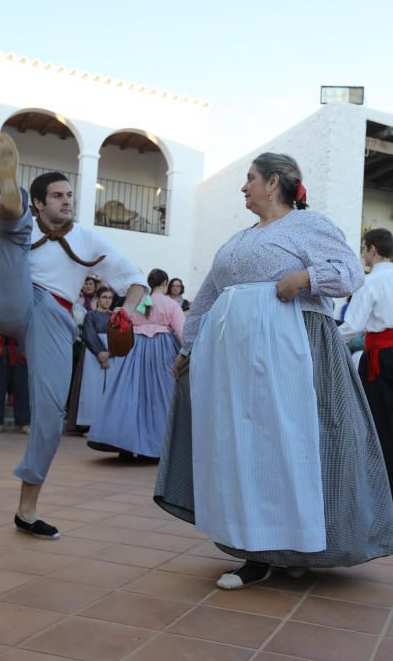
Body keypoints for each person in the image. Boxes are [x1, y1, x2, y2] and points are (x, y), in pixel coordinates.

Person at [155, 152, 393, 589]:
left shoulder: (308, 226)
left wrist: (303, 278)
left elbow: (347, 275)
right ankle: (257, 550)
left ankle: (295, 547)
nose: (244, 187)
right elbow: (209, 294)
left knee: (288, 446)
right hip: (237, 362)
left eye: (250, 179)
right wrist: (188, 346)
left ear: (275, 182)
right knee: (243, 447)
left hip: (291, 353)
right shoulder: (239, 240)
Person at [0, 132, 147, 538]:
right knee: (10, 241)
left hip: (54, 321)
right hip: (14, 300)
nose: (67, 200)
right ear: (41, 203)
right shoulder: (17, 238)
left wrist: (126, 313)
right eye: (57, 196)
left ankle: (27, 510)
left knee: (50, 413)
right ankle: (10, 206)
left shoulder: (88, 239)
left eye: (69, 195)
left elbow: (137, 280)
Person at [88, 268, 184, 460]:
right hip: (162, 350)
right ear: (165, 283)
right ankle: (154, 446)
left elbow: (129, 321)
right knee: (158, 396)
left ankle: (124, 444)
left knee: (130, 393)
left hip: (136, 348)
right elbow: (181, 332)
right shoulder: (171, 304)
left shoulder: (142, 302)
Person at [339, 228, 393, 494]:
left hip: (380, 359)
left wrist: (327, 338)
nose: (362, 255)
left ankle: (382, 486)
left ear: (373, 249)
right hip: (383, 354)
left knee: (378, 421)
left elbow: (352, 327)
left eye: (363, 249)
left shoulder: (370, 282)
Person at [67, 286, 115, 432]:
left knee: (109, 389)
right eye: (104, 297)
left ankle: (105, 425)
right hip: (92, 355)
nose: (107, 300)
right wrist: (101, 353)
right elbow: (89, 334)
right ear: (98, 299)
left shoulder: (114, 317)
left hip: (111, 356)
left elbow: (118, 337)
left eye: (110, 298)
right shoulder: (91, 315)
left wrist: (110, 353)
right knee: (91, 388)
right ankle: (89, 424)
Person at [0, 316, 30, 435]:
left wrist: (27, 344)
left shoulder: (24, 304)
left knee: (21, 386)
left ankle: (24, 423)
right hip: (1, 346)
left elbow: (29, 325)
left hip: (19, 347)